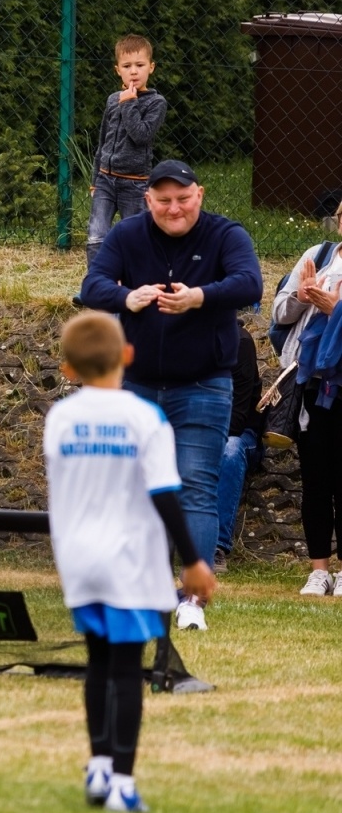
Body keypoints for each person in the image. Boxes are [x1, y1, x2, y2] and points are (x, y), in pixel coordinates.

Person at [43, 311, 216, 813]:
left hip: (78, 557)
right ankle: (121, 779)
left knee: (98, 662)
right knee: (126, 670)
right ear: (128, 357)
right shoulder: (145, 419)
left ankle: (98, 766)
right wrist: (193, 561)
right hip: (129, 558)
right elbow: (165, 495)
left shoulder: (60, 418)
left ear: (68, 369)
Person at [79, 160, 262, 630]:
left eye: (182, 198)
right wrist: (127, 298)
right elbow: (92, 284)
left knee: (195, 485)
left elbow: (250, 283)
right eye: (163, 200)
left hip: (204, 383)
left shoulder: (226, 234)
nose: (173, 208)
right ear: (148, 201)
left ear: (198, 195)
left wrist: (198, 296)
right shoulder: (126, 236)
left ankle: (191, 600)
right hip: (136, 384)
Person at [270, 202, 342, 597]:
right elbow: (280, 313)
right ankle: (319, 570)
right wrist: (301, 295)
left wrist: (337, 310)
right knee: (316, 479)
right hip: (312, 384)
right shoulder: (318, 256)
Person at [85, 34, 169, 264]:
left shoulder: (155, 103)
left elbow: (141, 135)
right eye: (127, 66)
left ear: (151, 68)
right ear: (117, 70)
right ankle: (97, 286)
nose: (133, 71)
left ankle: (134, 288)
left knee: (136, 239)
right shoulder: (113, 99)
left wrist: (129, 103)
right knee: (96, 236)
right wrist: (95, 178)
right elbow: (103, 141)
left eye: (140, 65)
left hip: (134, 184)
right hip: (105, 180)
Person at [210, 319, 264, 569]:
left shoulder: (239, 342)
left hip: (242, 436)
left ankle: (216, 547)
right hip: (200, 433)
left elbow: (237, 419)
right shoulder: (181, 341)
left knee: (230, 450)